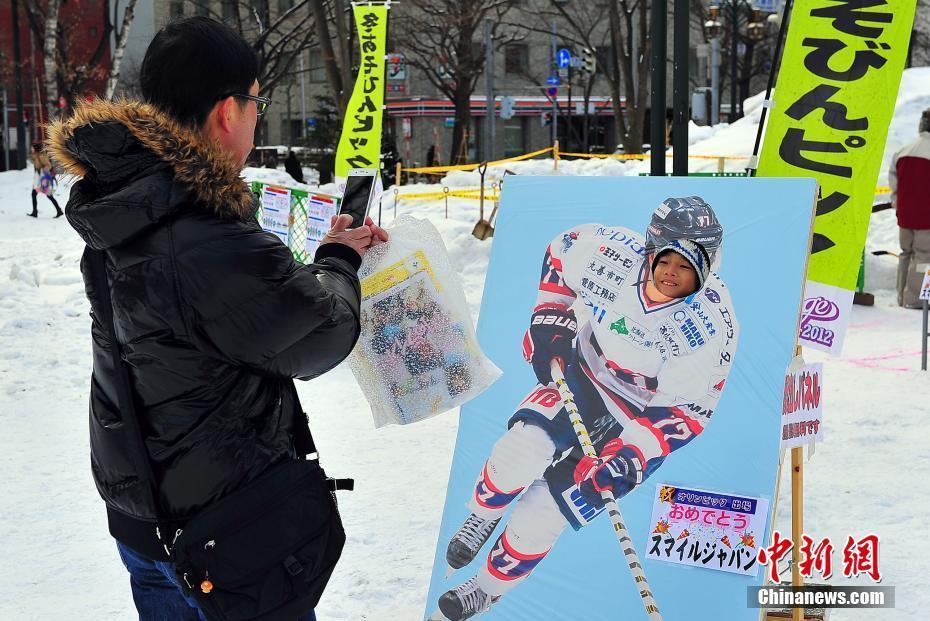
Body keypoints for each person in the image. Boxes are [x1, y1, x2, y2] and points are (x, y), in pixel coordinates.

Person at [46, 17, 387, 621]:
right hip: (223, 530)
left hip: (144, 516)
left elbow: (223, 320)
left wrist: (301, 267)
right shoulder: (205, 232)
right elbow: (318, 334)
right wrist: (337, 261)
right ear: (228, 111)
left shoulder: (125, 202)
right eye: (257, 101)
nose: (257, 116)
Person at [434, 197, 739, 621]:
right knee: (519, 451)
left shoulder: (710, 327)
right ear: (649, 251)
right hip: (585, 373)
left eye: (686, 267)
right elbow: (560, 252)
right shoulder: (609, 252)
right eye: (665, 259)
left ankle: (485, 588)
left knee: (543, 514)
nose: (671, 273)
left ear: (706, 268)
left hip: (639, 417)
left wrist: (628, 459)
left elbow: (687, 412)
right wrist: (550, 315)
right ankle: (483, 516)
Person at [889, 108, 930, 308]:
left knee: (905, 253)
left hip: (905, 216)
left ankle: (901, 296)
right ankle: (914, 300)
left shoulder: (902, 151)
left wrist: (899, 207)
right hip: (926, 218)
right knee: (923, 257)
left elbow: (893, 185)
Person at [28, 142, 62, 218]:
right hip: (40, 178)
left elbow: (48, 165)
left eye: (32, 148)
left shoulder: (42, 155)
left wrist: (43, 173)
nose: (31, 149)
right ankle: (35, 211)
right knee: (35, 194)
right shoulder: (37, 155)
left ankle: (58, 210)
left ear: (36, 149)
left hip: (44, 179)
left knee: (48, 195)